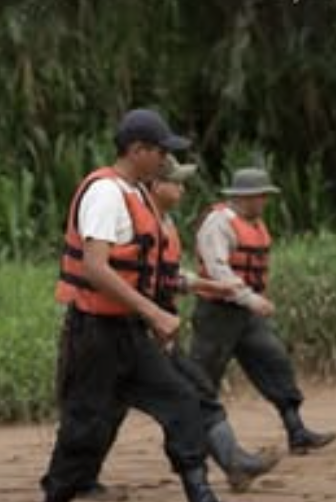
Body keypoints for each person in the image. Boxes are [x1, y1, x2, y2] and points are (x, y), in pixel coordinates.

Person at [40, 109, 224, 502]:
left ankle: (200, 490)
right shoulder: (105, 193)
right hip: (94, 333)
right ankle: (58, 493)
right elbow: (94, 267)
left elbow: (148, 267)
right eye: (161, 151)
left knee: (182, 399)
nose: (165, 161)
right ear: (138, 150)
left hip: (128, 330)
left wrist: (180, 296)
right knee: (85, 423)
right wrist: (154, 313)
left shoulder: (138, 192)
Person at [75, 156, 281, 499]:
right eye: (176, 182)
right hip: (125, 333)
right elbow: (127, 277)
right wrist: (154, 318)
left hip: (146, 332)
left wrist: (206, 286)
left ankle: (227, 466)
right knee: (109, 409)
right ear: (155, 185)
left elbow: (166, 276)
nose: (182, 189)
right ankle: (83, 484)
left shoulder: (163, 224)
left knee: (187, 394)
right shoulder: (134, 221)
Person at [190, 167, 336, 455]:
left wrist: (250, 301)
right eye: (261, 196)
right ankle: (191, 445)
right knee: (203, 379)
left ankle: (296, 431)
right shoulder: (218, 223)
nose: (264, 202)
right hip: (216, 313)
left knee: (274, 362)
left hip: (245, 314)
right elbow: (218, 269)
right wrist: (249, 298)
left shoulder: (254, 223)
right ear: (245, 197)